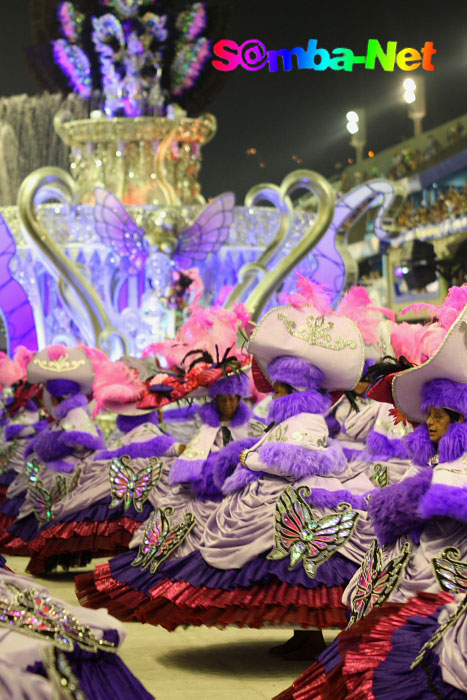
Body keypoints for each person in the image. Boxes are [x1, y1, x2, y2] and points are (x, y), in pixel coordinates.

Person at [276, 300, 467, 699]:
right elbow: (398, 491)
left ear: (459, 420)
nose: (427, 421)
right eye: (426, 413)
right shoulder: (428, 456)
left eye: (438, 415)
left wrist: (409, 502)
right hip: (407, 556)